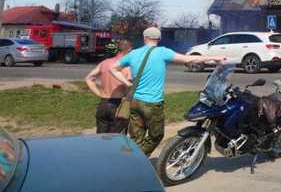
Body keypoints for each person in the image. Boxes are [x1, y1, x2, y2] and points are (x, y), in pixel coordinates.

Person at [109, 27, 225, 156]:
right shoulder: (163, 52)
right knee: (156, 135)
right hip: (152, 104)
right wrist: (214, 57)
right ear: (159, 39)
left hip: (134, 101)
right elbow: (188, 59)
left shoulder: (133, 53)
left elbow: (113, 69)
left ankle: (136, 160)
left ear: (144, 38)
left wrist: (127, 83)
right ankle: (138, 158)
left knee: (136, 137)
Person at [85, 39, 133, 133]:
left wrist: (99, 93)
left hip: (103, 103)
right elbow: (130, 87)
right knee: (116, 139)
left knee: (101, 139)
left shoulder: (105, 62)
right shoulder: (127, 65)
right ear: (129, 50)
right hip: (118, 105)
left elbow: (89, 78)